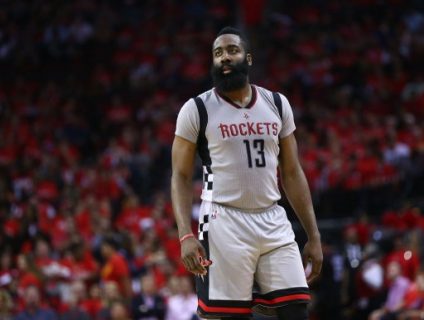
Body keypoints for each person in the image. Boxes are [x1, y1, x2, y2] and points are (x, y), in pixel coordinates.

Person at [171, 26, 323, 320]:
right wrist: (184, 234)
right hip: (222, 221)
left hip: (272, 218)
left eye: (232, 50)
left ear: (248, 59)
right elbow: (179, 175)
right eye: (218, 53)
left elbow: (292, 173)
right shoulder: (196, 109)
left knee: (297, 310)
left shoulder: (277, 104)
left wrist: (313, 235)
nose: (224, 58)